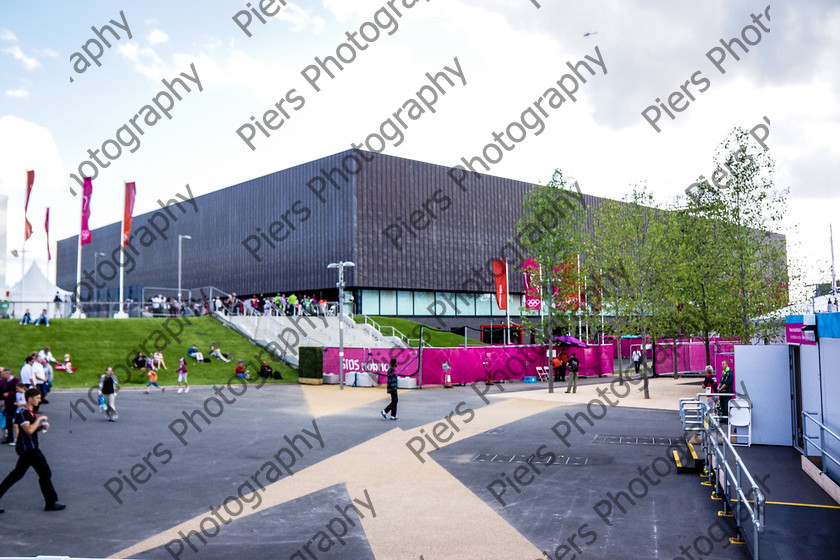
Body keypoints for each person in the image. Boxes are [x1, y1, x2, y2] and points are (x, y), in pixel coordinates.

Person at [0, 388, 66, 513]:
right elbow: (28, 430)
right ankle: (50, 502)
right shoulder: (23, 412)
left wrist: (40, 427)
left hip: (27, 448)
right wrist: (39, 420)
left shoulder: (29, 412)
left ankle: (50, 501)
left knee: (16, 475)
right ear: (30, 398)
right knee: (44, 473)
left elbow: (31, 430)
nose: (39, 400)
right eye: (37, 398)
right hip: (29, 449)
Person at [0, 369, 20, 444]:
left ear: (8, 374)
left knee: (15, 421)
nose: (3, 376)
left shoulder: (15, 380)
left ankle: (17, 438)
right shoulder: (4, 381)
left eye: (4, 374)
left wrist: (9, 393)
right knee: (8, 420)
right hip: (7, 402)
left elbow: (18, 390)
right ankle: (9, 437)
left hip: (14, 402)